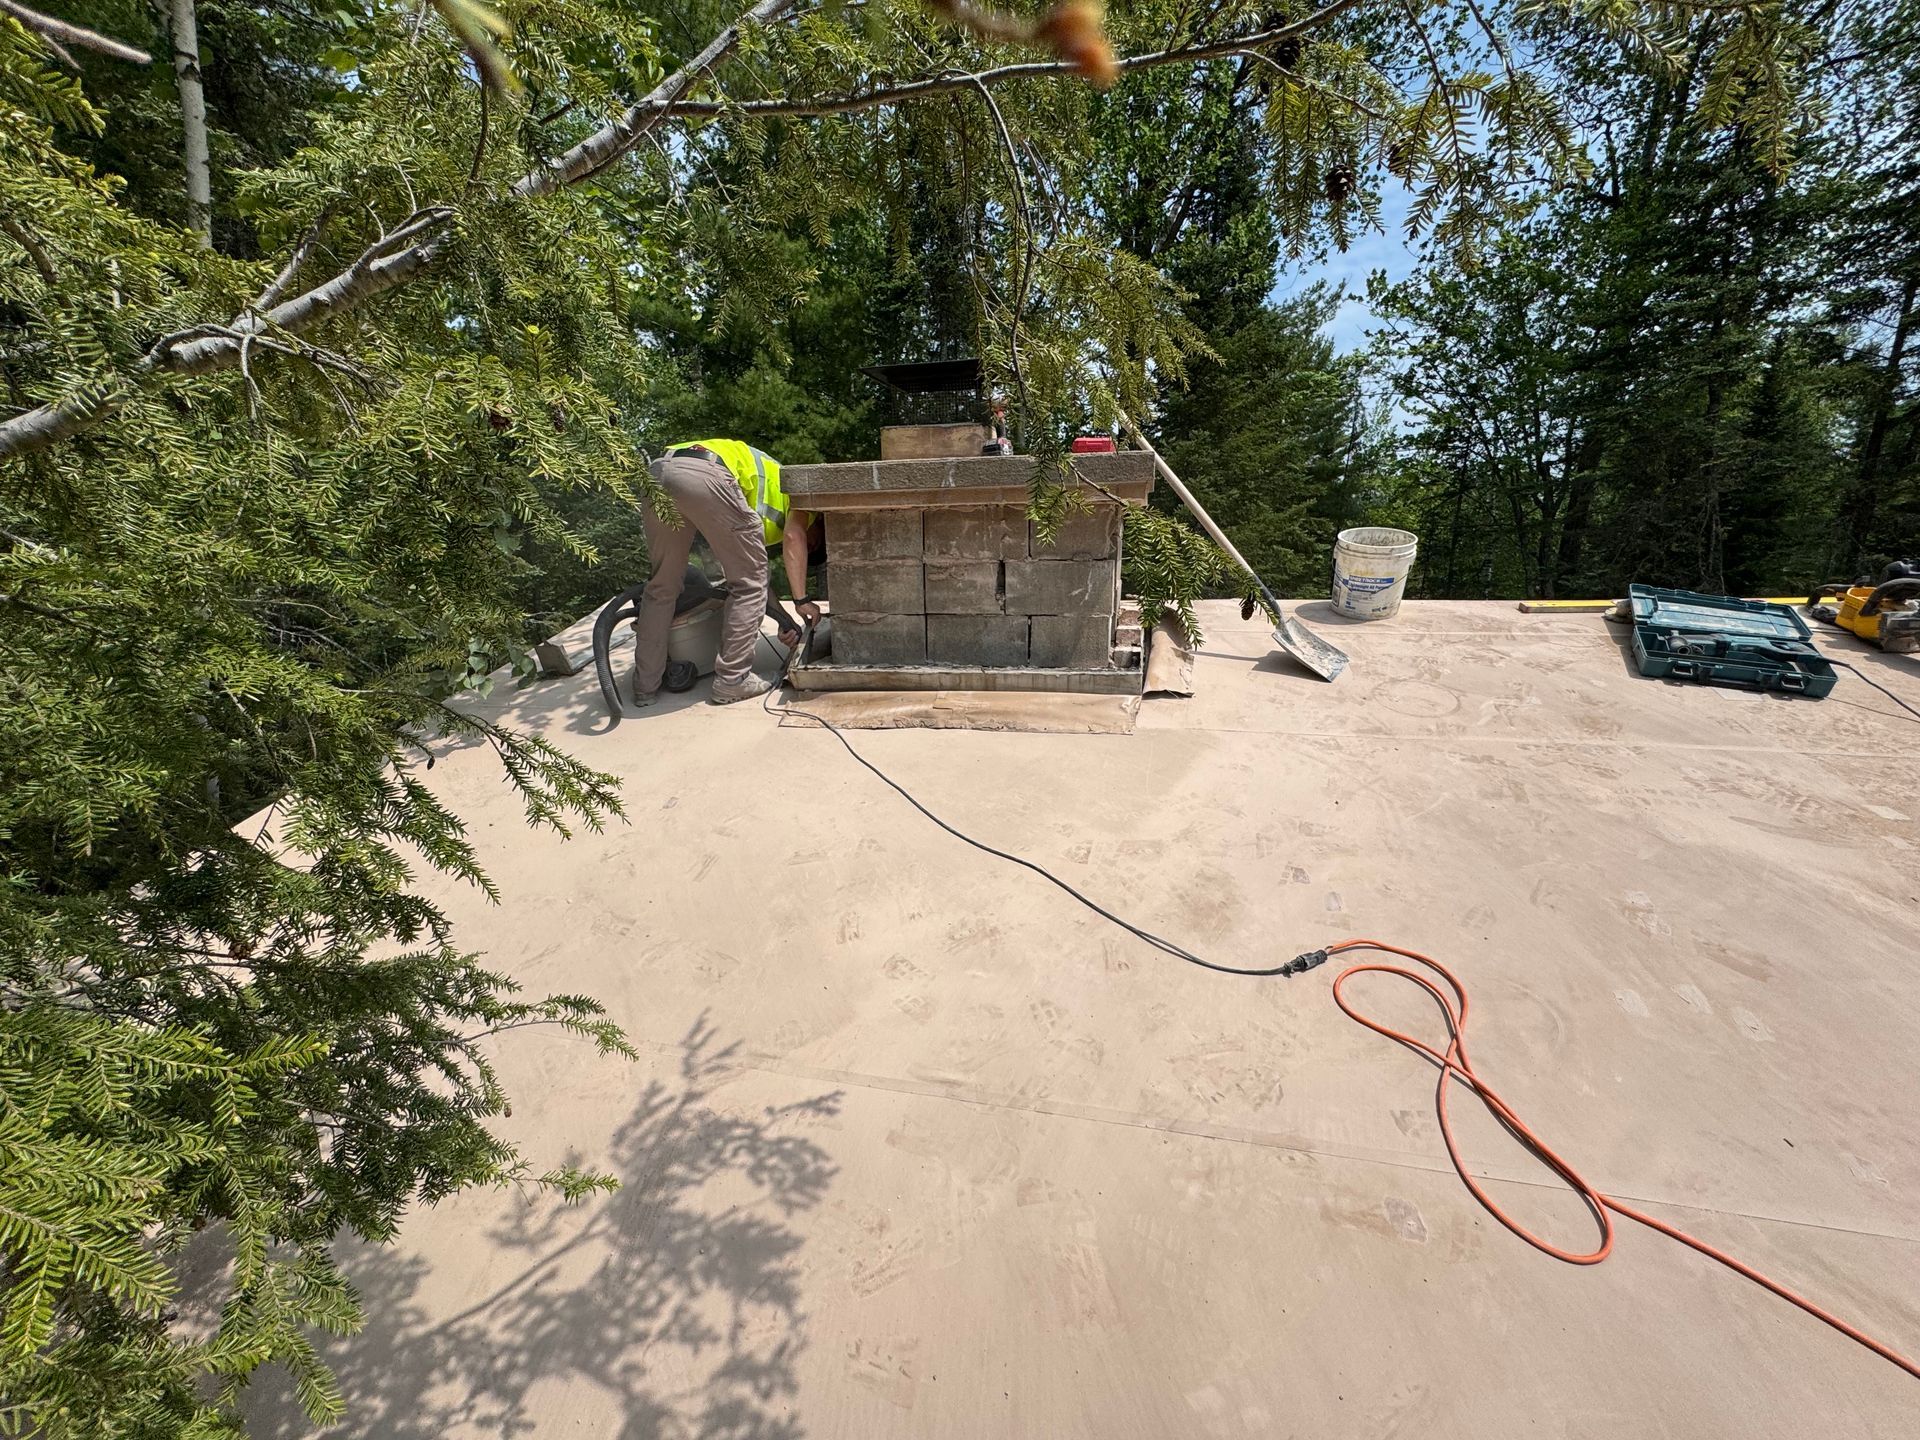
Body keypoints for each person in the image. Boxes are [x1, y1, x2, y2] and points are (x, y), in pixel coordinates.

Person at [632, 439, 822, 705]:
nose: (806, 546)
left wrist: (781, 618)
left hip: (661, 472)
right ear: (817, 535)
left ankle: (645, 687)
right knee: (748, 584)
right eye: (811, 545)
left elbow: (752, 576)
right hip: (708, 475)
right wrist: (801, 601)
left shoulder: (765, 491)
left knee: (662, 586)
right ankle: (732, 680)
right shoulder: (805, 499)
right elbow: (791, 540)